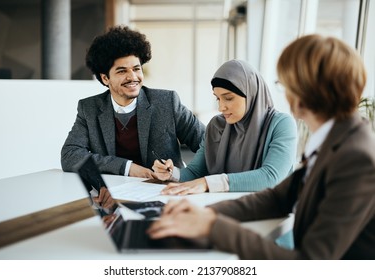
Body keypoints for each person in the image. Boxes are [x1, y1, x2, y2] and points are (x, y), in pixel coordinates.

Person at [147, 34, 375, 259]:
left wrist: (213, 227)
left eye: (286, 84)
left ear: (307, 91)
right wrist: (205, 214)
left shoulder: (356, 157)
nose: (285, 92)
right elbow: (278, 198)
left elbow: (310, 263)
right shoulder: (334, 140)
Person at [61, 25, 205, 178]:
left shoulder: (167, 102)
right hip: (115, 195)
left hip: (165, 192)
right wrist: (127, 168)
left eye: (136, 69)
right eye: (122, 71)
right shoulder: (89, 109)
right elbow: (70, 156)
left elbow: (209, 145)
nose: (133, 77)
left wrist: (185, 173)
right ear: (105, 78)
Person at [152, 59, 297, 194]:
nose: (221, 107)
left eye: (228, 98)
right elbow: (195, 172)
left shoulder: (282, 124)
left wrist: (209, 183)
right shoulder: (217, 125)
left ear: (251, 93)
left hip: (268, 213)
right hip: (224, 208)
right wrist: (172, 173)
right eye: (217, 98)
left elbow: (271, 177)